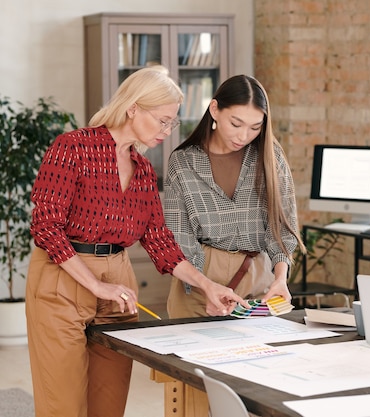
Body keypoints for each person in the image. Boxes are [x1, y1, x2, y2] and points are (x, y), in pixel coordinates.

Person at [26, 65, 247, 417]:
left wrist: (208, 286)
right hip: (64, 277)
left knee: (110, 404)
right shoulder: (73, 148)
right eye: (162, 120)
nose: (167, 130)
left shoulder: (142, 170)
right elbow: (46, 228)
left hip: (119, 282)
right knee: (62, 405)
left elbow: (160, 242)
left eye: (172, 123)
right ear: (133, 108)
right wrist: (97, 287)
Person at [164, 74, 305, 319]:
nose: (243, 136)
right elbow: (180, 238)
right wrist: (204, 288)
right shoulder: (183, 161)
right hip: (199, 284)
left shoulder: (270, 158)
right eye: (236, 124)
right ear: (215, 109)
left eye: (255, 127)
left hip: (259, 284)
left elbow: (283, 227)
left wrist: (281, 278)